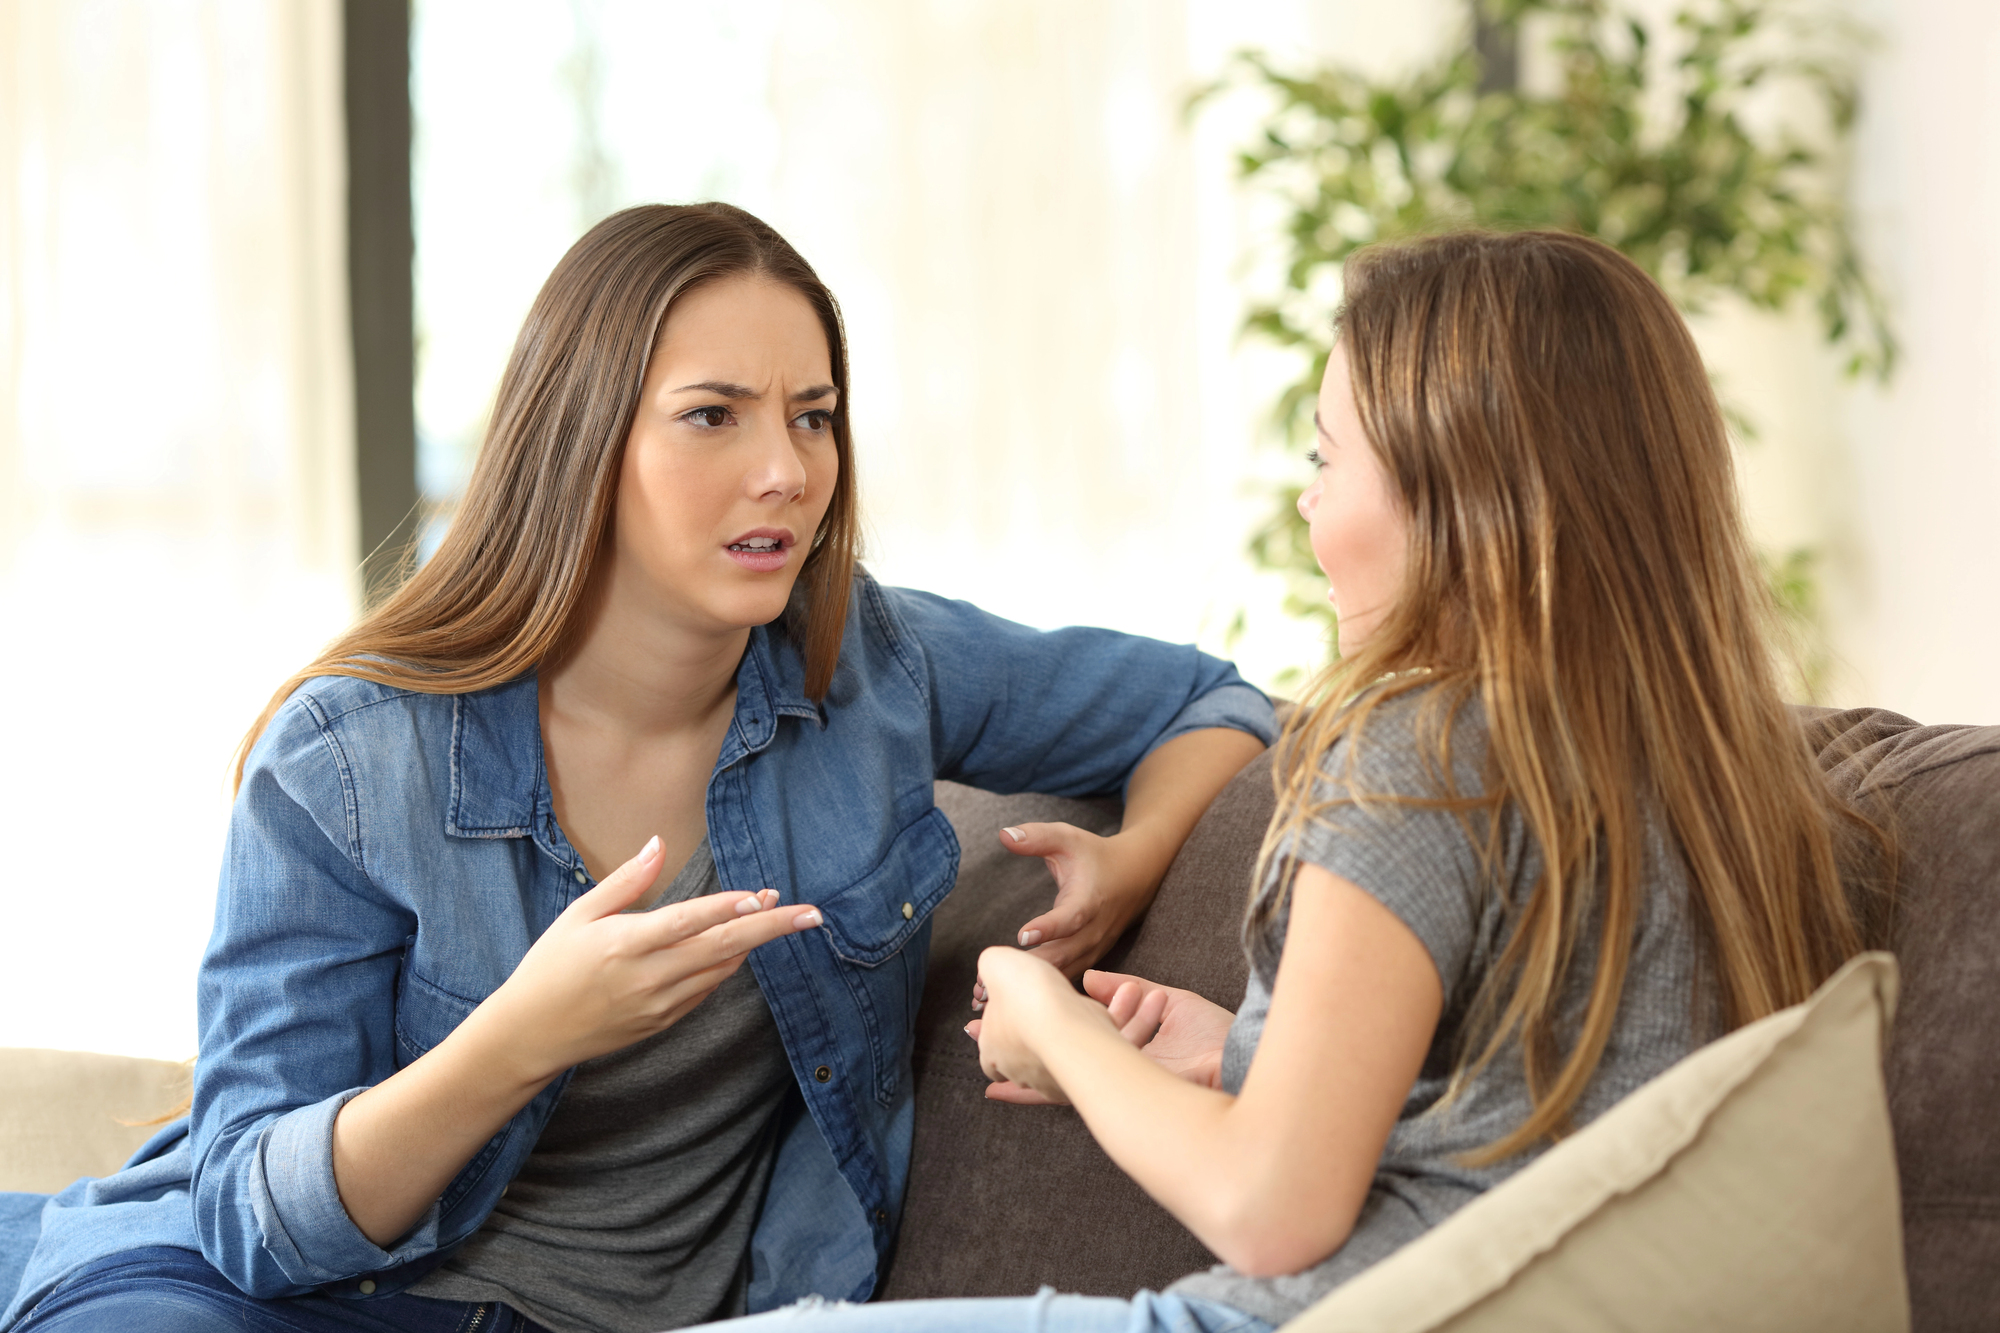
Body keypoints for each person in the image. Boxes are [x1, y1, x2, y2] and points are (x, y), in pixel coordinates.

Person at [0, 203, 1274, 1333]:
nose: (786, 468)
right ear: (583, 442)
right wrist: (521, 1036)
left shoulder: (868, 666)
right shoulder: (349, 757)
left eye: (812, 416)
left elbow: (1207, 703)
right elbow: (248, 1220)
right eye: (712, 415)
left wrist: (1126, 859)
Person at [700, 229, 1887, 1333]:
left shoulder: (1416, 752)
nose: (1308, 499)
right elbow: (1539, 1123)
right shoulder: (1712, 768)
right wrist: (1243, 1056)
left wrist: (1060, 1032)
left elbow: (1270, 1209)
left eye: (1326, 457)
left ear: (1458, 493)